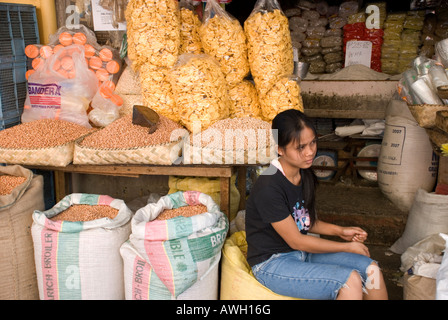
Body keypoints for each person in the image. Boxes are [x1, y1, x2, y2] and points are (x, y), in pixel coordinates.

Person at [245, 109, 388, 300]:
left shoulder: (303, 173)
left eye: (312, 142)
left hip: (301, 253)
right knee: (349, 280)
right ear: (280, 149)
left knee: (372, 269)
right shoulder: (269, 186)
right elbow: (297, 240)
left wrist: (340, 231)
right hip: (273, 264)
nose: (310, 151)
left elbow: (304, 221)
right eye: (300, 147)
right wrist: (346, 247)